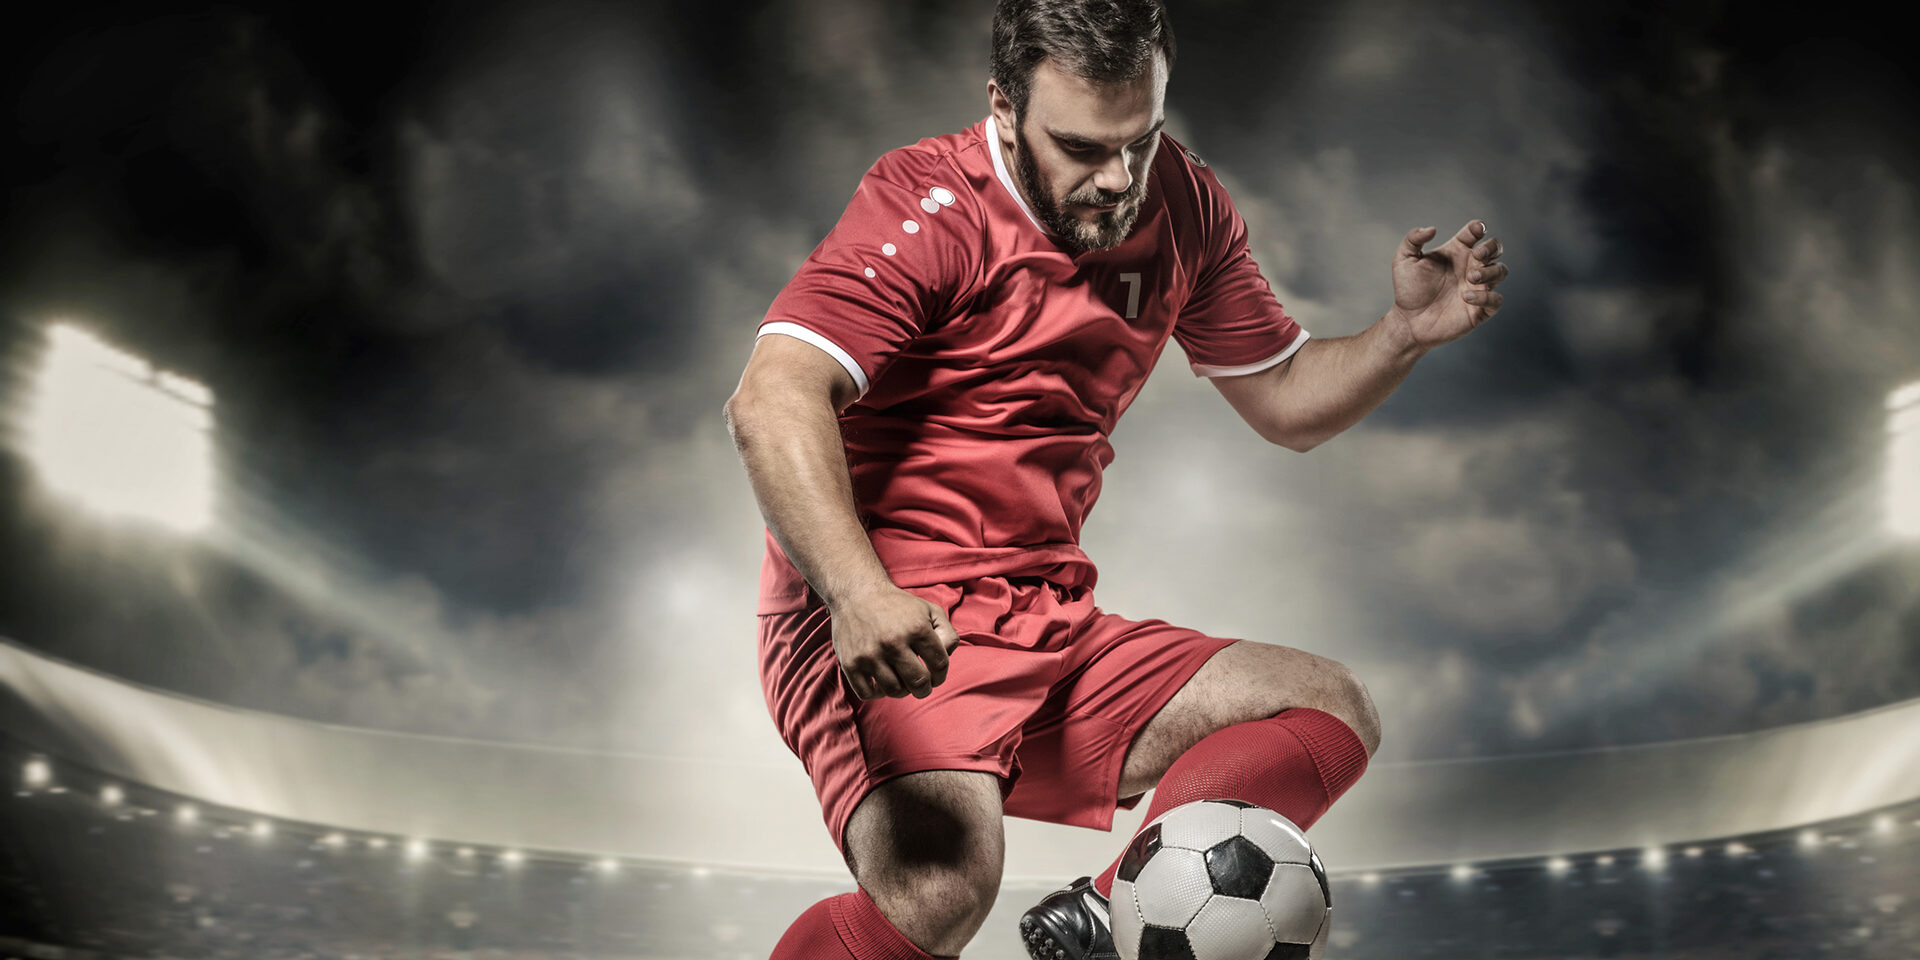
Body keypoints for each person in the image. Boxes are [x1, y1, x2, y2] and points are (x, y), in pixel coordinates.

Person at [724, 1, 1509, 957]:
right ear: (1003, 108)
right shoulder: (929, 203)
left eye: (1140, 141)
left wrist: (1400, 337)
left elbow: (1287, 399)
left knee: (1326, 709)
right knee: (940, 890)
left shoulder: (1184, 205)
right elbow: (772, 400)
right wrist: (858, 595)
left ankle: (1104, 917)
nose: (1116, 179)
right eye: (1081, 148)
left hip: (1040, 616)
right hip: (891, 619)